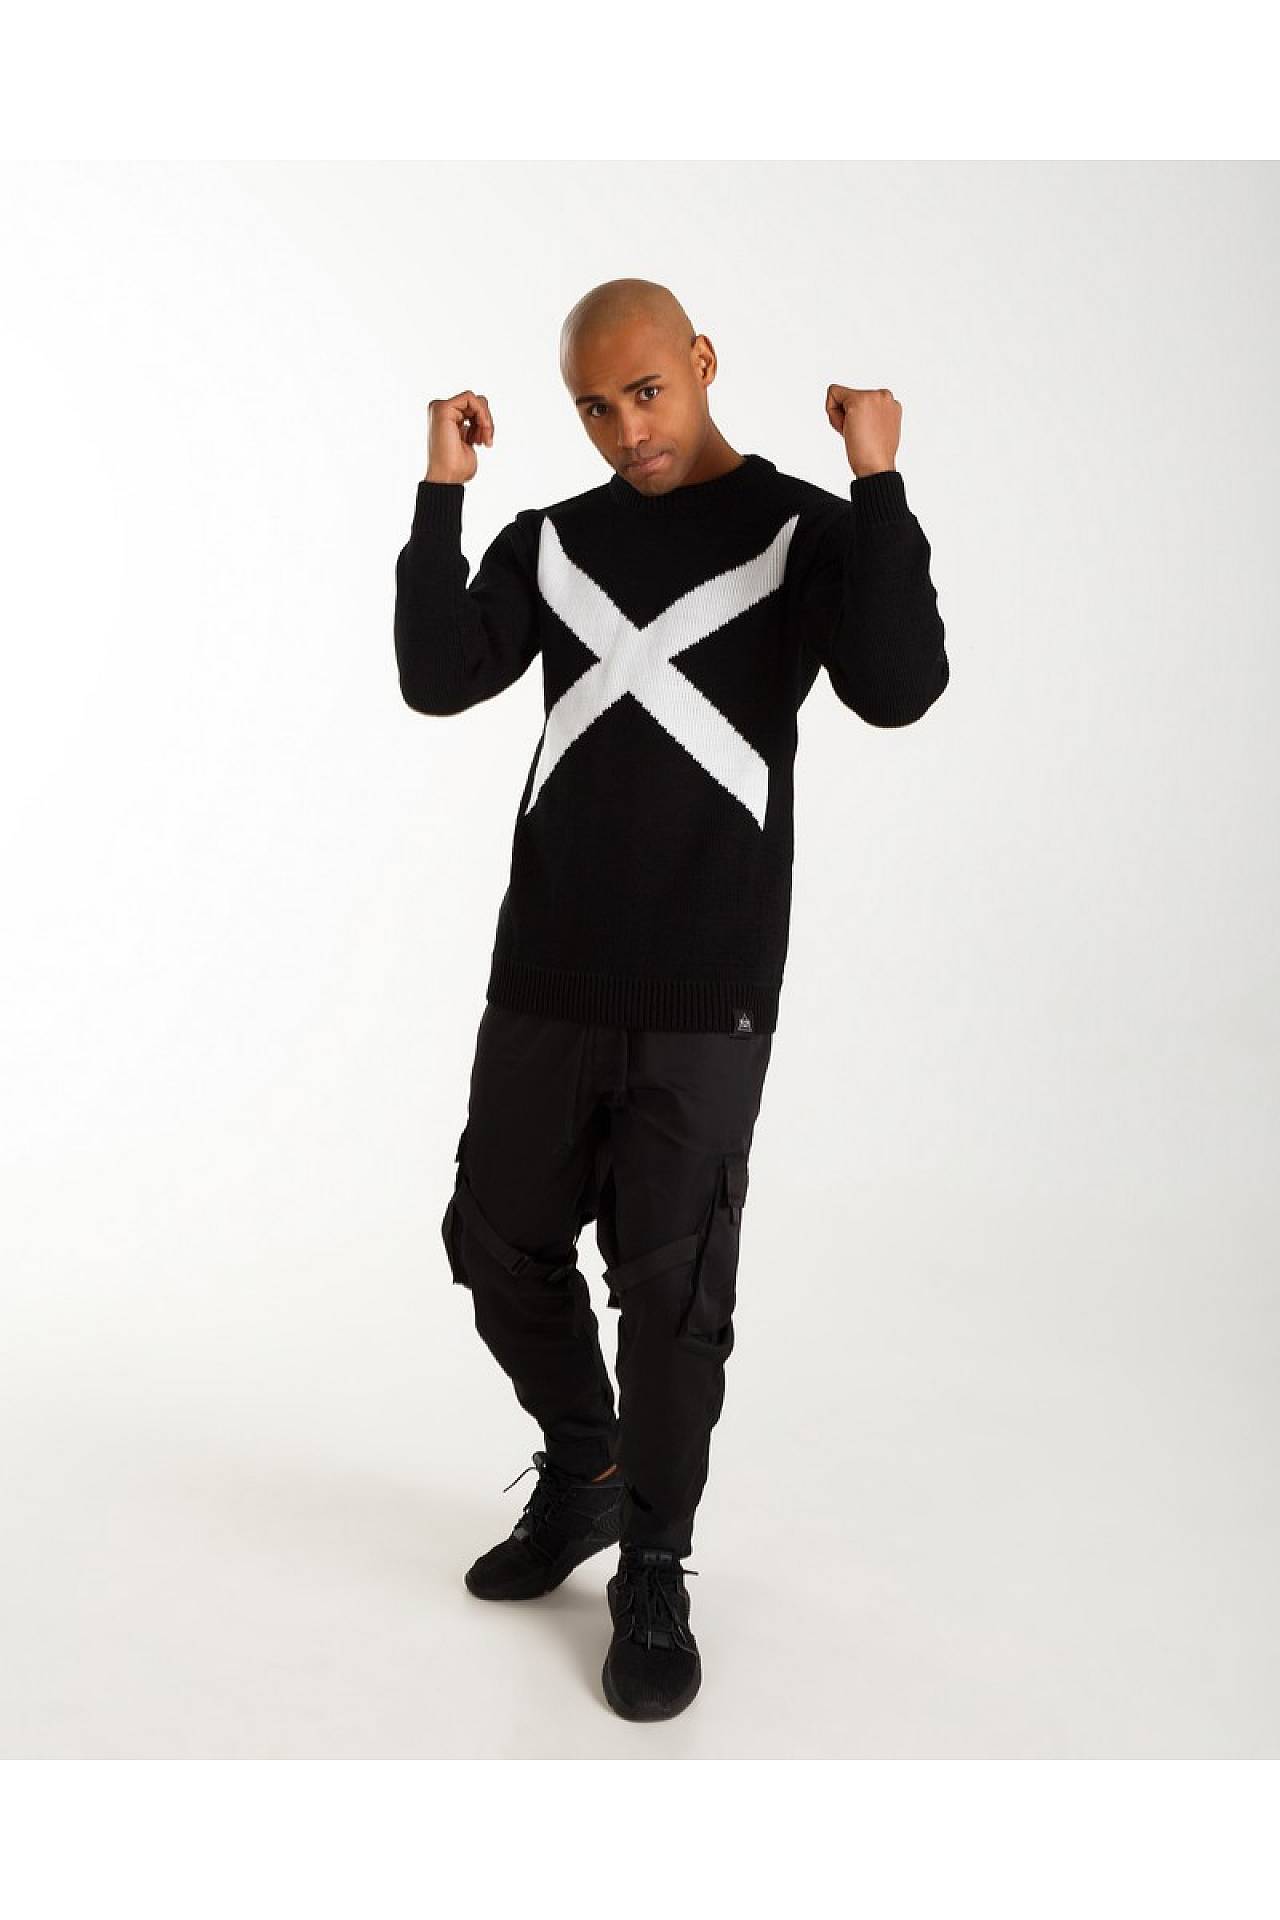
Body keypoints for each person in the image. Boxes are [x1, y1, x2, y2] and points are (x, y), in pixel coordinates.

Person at [393, 277, 949, 1721]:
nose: (626, 429)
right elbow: (437, 677)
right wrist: (444, 495)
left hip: (709, 982)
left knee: (671, 1289)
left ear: (702, 363)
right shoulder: (550, 540)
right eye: (596, 407)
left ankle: (652, 1559)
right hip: (548, 964)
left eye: (646, 392)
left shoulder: (801, 533)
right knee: (495, 1240)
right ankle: (585, 1465)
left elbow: (898, 683)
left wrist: (877, 481)